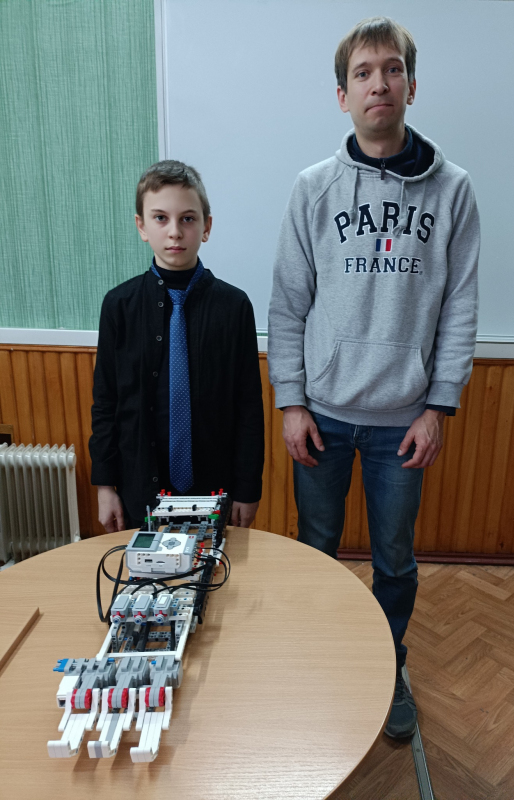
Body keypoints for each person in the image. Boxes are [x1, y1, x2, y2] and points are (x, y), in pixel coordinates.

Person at [268, 17, 479, 738]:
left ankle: (387, 669)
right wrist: (292, 403)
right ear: (343, 95)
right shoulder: (314, 189)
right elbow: (288, 303)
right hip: (322, 415)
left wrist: (439, 407)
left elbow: (460, 306)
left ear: (411, 87)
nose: (378, 83)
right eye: (362, 73)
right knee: (316, 550)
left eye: (391, 69)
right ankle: (316, 663)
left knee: (393, 558)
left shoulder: (453, 191)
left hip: (403, 421)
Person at [90, 160, 264, 532]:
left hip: (215, 487)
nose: (174, 232)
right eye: (160, 218)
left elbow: (249, 407)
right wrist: (105, 486)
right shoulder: (119, 306)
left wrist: (248, 488)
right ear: (141, 226)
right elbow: (105, 404)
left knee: (214, 567)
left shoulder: (234, 307)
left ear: (206, 227)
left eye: (187, 219)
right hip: (139, 486)